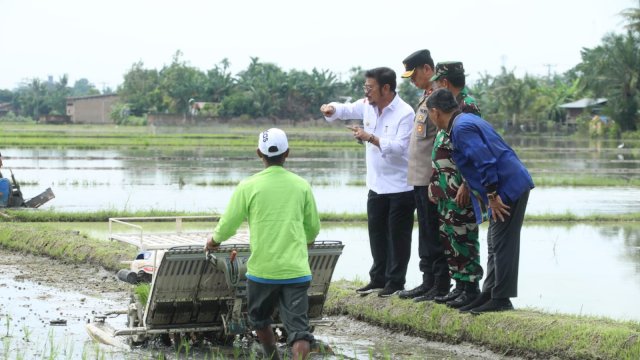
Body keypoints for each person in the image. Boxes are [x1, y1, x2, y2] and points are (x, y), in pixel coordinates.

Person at [205, 128, 320, 360]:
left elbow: (229, 223)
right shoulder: (301, 185)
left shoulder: (248, 186)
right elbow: (313, 227)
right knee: (299, 331)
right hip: (296, 271)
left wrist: (213, 240)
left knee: (259, 319)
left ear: (259, 153)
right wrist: (306, 241)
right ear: (287, 153)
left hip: (262, 273)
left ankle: (272, 357)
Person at [426, 88, 534, 314]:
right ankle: (489, 293)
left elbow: (485, 162)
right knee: (494, 241)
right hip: (504, 187)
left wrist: (493, 197)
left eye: (429, 113)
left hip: (508, 188)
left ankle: (502, 298)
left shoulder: (462, 128)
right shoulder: (463, 122)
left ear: (436, 112)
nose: (429, 118)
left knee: (503, 243)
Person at [320, 67, 415, 298]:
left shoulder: (405, 112)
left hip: (401, 186)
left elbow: (401, 148)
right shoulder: (368, 106)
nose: (367, 91)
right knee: (377, 234)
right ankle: (377, 278)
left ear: (386, 88)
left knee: (398, 237)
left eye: (370, 87)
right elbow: (346, 109)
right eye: (365, 87)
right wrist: (331, 108)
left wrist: (370, 137)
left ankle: (395, 282)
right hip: (376, 184)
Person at [396, 49, 451, 302]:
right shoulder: (425, 97)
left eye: (414, 74)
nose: (411, 80)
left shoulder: (440, 98)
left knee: (433, 232)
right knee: (426, 232)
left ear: (427, 70)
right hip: (418, 178)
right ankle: (427, 280)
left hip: (431, 178)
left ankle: (439, 284)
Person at [428, 62, 484, 308]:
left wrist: (466, 184)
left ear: (445, 82)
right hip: (445, 186)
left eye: (438, 82)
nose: (436, 87)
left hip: (459, 187)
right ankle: (459, 285)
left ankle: (470, 287)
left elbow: (470, 150)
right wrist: (434, 182)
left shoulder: (467, 107)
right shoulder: (445, 105)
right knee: (450, 237)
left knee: (464, 236)